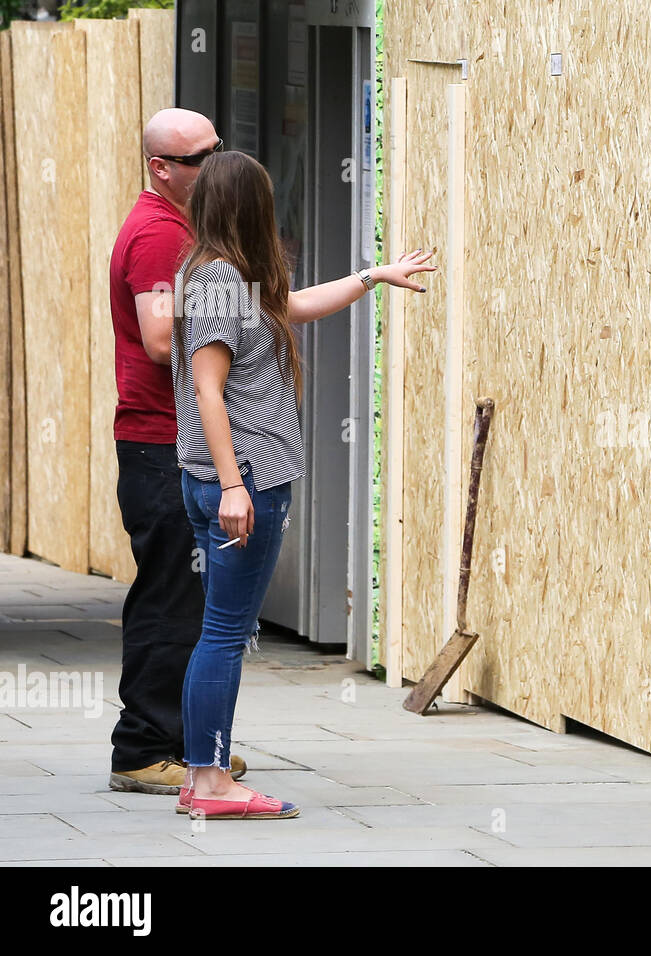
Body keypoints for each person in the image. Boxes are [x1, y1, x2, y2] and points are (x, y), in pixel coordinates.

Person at [172, 150, 432, 819]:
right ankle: (211, 784)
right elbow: (208, 389)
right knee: (224, 635)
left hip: (230, 478)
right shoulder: (223, 278)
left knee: (218, 631)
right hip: (244, 480)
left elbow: (292, 306)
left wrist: (374, 276)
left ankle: (203, 775)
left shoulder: (219, 273)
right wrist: (234, 486)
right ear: (253, 208)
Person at [107, 108, 247, 794]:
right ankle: (142, 748)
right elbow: (162, 339)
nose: (216, 162)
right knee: (170, 600)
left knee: (186, 599)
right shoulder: (162, 233)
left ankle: (192, 742)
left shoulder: (184, 226)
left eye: (220, 148)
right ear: (162, 168)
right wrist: (238, 317)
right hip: (161, 443)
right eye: (200, 156)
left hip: (167, 442)